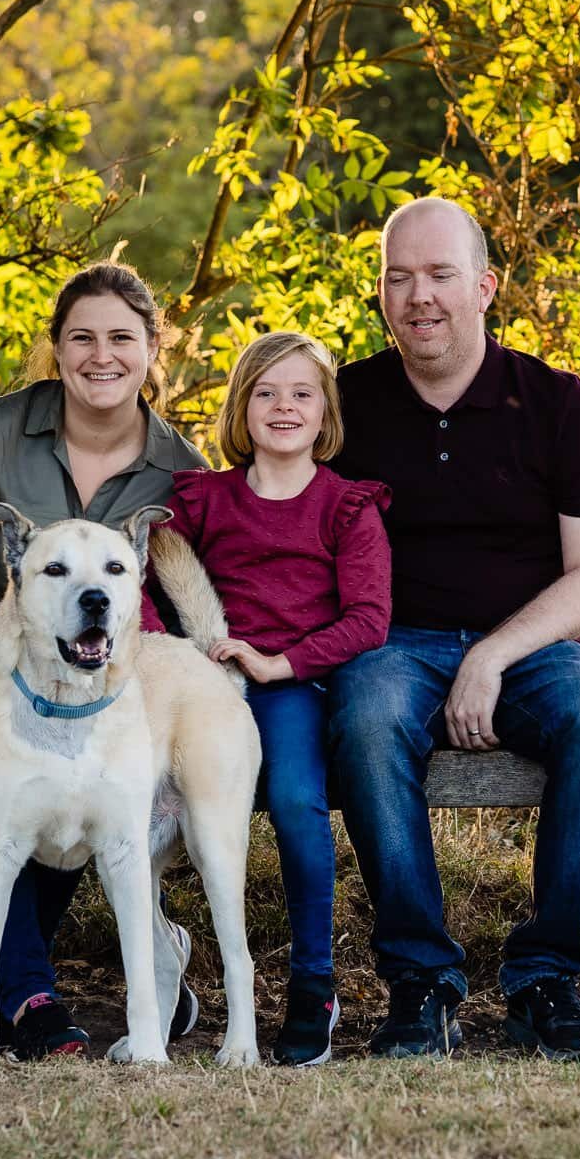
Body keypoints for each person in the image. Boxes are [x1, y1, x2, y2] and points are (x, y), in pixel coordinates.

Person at [328, 197, 580, 1060]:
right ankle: (420, 980)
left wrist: (496, 654)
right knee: (362, 716)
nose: (419, 295)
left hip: (533, 648)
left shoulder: (557, 404)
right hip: (393, 645)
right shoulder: (345, 404)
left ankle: (545, 977)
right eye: (399, 278)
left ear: (485, 286)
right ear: (382, 295)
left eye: (438, 275)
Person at [0, 262, 206, 1059]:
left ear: (150, 350)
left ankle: (21, 976)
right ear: (57, 348)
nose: (100, 356)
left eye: (121, 338)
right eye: (82, 338)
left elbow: (181, 591)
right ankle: (29, 995)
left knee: (90, 774)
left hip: (111, 669)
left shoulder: (182, 468)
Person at [155, 331, 390, 1066]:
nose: (283, 406)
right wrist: (181, 655)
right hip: (200, 684)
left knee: (294, 800)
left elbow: (368, 618)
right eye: (265, 392)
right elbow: (149, 585)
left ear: (325, 413)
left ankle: (312, 984)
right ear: (240, 407)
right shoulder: (201, 497)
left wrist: (277, 661)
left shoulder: (347, 507)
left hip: (290, 686)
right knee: (145, 804)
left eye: (301, 392)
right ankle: (161, 966)